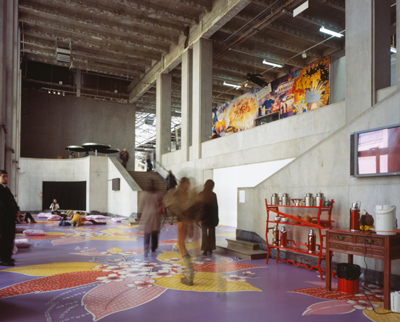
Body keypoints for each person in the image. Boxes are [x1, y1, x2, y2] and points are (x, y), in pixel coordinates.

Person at [163, 177, 202, 286]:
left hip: (185, 223)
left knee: (182, 248)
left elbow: (170, 203)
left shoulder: (181, 194)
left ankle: (189, 277)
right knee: (183, 247)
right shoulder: (185, 194)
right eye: (187, 183)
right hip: (187, 223)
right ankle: (189, 275)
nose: (187, 185)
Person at [139, 180, 164, 256]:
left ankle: (146, 248)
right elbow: (163, 203)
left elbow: (141, 205)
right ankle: (154, 247)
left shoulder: (144, 193)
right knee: (155, 232)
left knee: (147, 232)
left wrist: (139, 213)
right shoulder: (159, 193)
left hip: (146, 214)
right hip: (156, 214)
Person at [0, 170, 20, 266]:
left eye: (7, 176)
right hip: (3, 219)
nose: (6, 178)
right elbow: (2, 205)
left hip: (9, 219)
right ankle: (2, 258)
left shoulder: (6, 189)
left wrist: (17, 210)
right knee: (3, 238)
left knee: (9, 238)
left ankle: (7, 257)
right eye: (4, 176)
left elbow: (12, 202)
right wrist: (12, 212)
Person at [199, 180, 219, 256]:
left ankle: (205, 249)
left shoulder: (201, 194)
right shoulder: (213, 195)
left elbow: (198, 206)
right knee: (211, 233)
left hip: (203, 216)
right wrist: (216, 218)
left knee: (204, 233)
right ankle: (210, 248)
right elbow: (216, 207)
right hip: (211, 217)